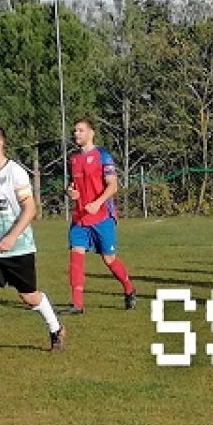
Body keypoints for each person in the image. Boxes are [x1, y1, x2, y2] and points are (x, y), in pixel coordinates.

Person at [0, 125, 65, 361]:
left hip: (19, 248)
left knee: (29, 297)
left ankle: (56, 329)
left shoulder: (15, 172)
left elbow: (30, 209)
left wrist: (11, 237)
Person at [64, 118, 135, 313]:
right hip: (80, 218)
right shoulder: (73, 159)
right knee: (76, 256)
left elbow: (113, 185)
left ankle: (129, 288)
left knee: (109, 259)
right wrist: (70, 192)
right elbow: (71, 185)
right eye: (75, 131)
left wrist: (97, 203)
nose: (76, 134)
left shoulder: (102, 155)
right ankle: (77, 305)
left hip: (102, 216)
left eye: (81, 130)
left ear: (91, 133)